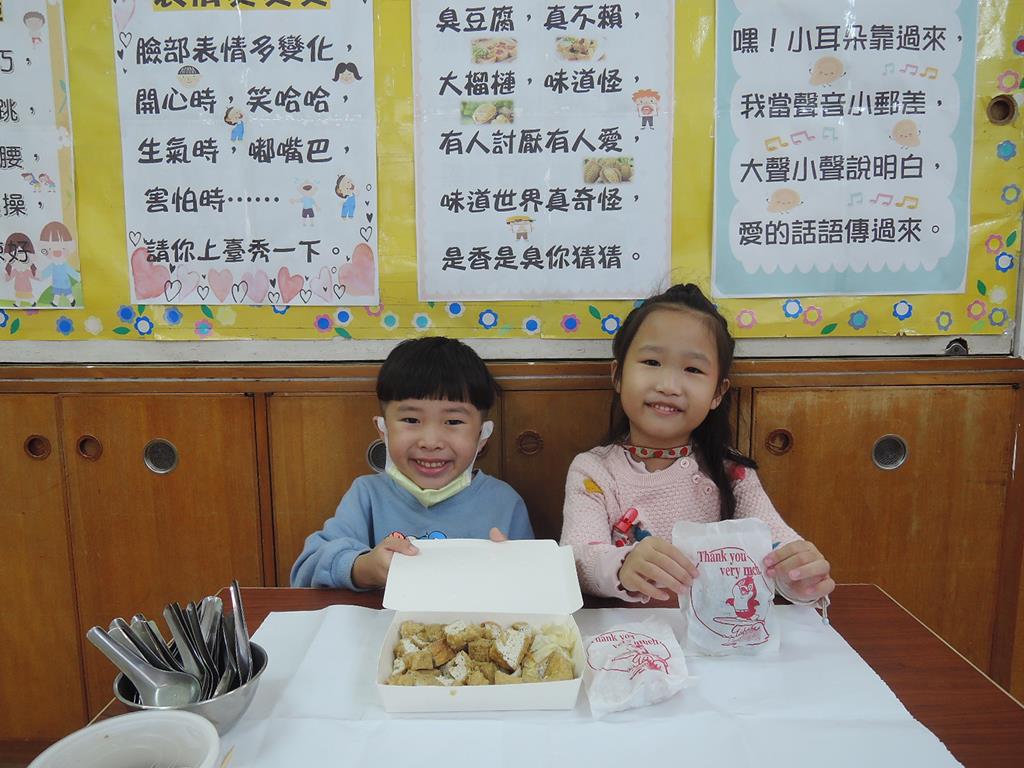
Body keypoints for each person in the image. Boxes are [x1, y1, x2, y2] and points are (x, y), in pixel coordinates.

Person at [559, 283, 834, 605]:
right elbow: (576, 559)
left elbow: (776, 547)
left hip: (718, 630)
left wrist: (798, 575)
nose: (668, 386)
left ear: (718, 393)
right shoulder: (593, 471)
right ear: (618, 376)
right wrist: (623, 565)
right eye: (651, 362)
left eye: (692, 369)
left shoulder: (732, 473)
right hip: (627, 632)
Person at [291, 337, 534, 589]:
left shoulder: (504, 503)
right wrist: (363, 568)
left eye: (453, 422)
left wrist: (512, 568)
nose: (430, 442)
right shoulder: (367, 496)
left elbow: (535, 586)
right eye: (411, 420)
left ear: (482, 435)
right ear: (383, 429)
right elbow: (305, 572)